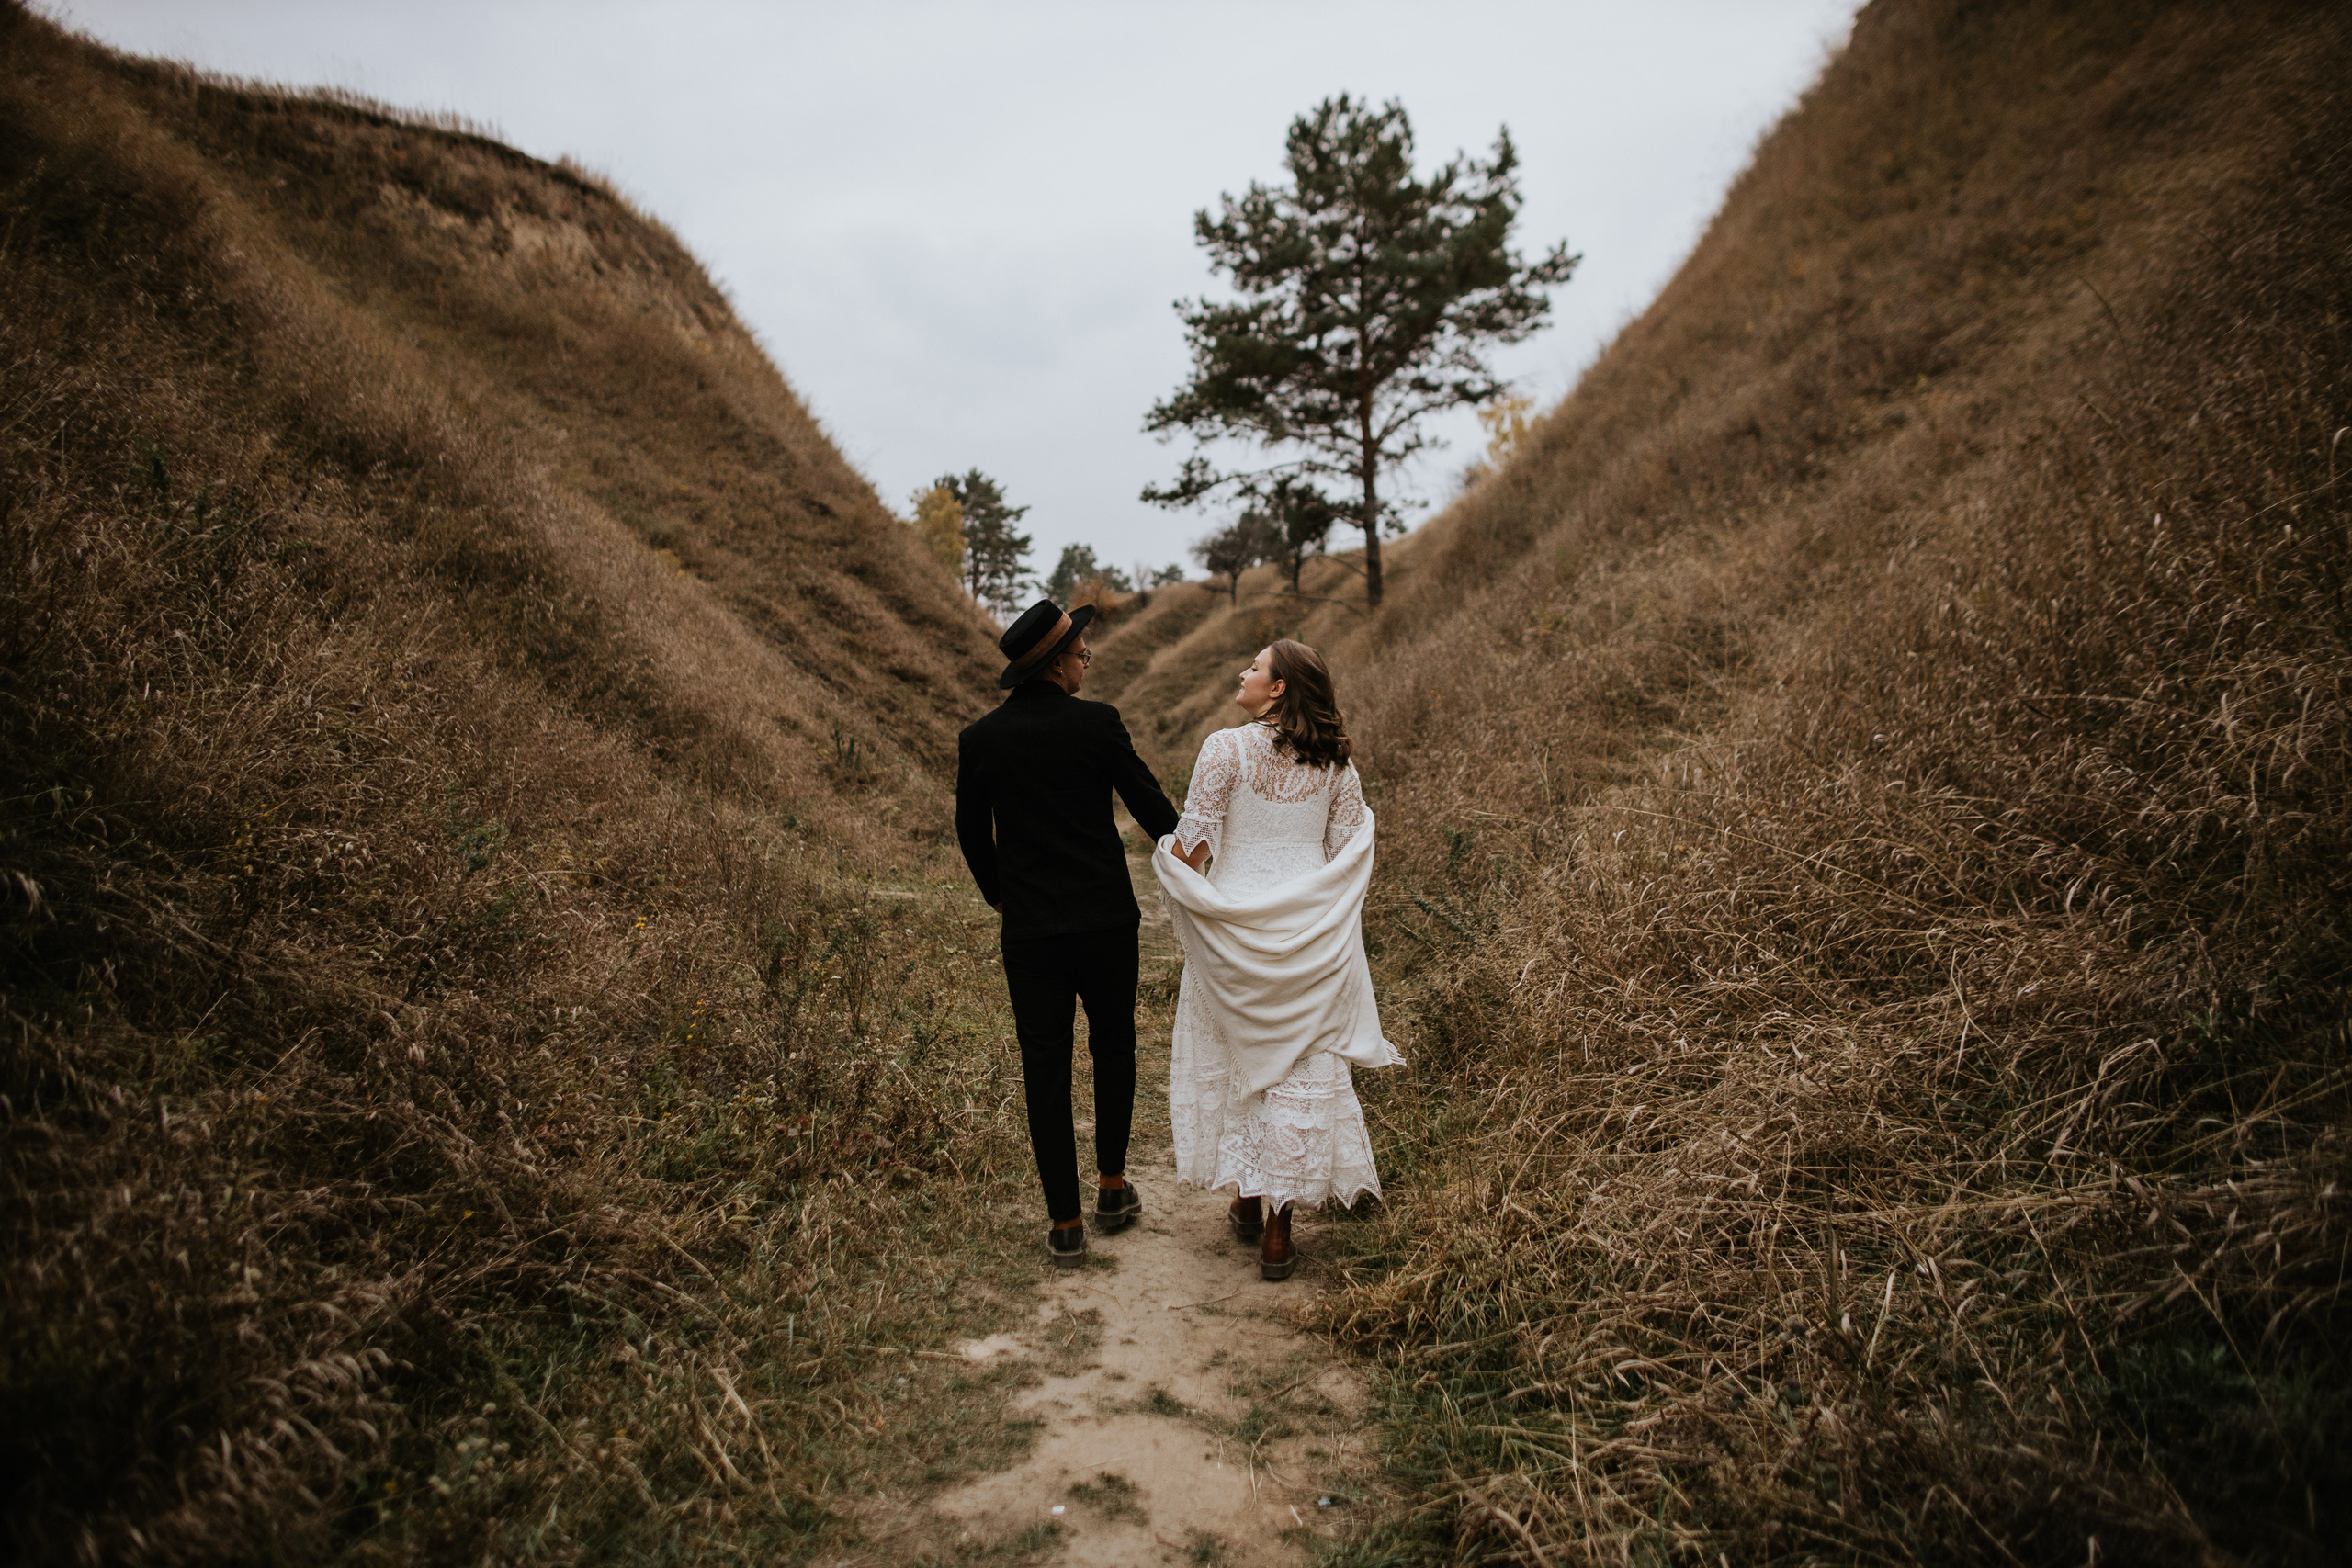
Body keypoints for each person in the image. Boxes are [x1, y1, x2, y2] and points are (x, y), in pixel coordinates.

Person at [1151, 640, 1404, 1280]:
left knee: (1242, 1056)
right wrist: (1333, 923)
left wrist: (1181, 882)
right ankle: (1275, 1228)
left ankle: (1244, 1195)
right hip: (1312, 934)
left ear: (1281, 687)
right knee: (1296, 1069)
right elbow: (1348, 855)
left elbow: (1191, 852)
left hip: (1237, 930)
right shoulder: (1339, 767)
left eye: (1256, 667)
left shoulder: (1223, 749)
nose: (1243, 672)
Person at [956, 598, 1182, 1268]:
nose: (1088, 663)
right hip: (1107, 920)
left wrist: (1006, 896)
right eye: (1083, 654)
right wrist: (1200, 870)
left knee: (1044, 1068)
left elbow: (974, 836)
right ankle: (1113, 1187)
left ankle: (1065, 1223)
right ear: (1058, 663)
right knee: (1114, 1047)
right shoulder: (1098, 725)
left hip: (1031, 932)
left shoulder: (981, 739)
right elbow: (1154, 810)